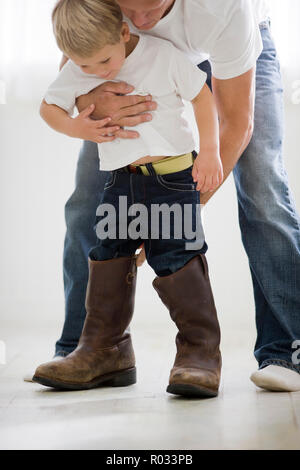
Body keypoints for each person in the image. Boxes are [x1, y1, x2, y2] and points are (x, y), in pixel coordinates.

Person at [27, 0, 300, 393]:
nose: (140, 20)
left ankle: (285, 352)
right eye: (126, 8)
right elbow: (75, 66)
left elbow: (235, 122)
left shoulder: (222, 9)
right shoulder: (103, 16)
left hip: (226, 53)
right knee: (90, 202)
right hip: (124, 58)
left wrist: (171, 209)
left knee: (263, 189)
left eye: (151, 6)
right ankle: (88, 349)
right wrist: (92, 103)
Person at [32, 0, 223, 397]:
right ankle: (105, 351)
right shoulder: (82, 65)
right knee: (109, 253)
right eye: (85, 67)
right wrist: (76, 128)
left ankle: (200, 354)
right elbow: (49, 107)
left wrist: (210, 153)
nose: (99, 73)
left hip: (171, 180)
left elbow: (202, 96)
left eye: (104, 61)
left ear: (122, 33)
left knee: (176, 256)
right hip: (120, 181)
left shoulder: (163, 55)